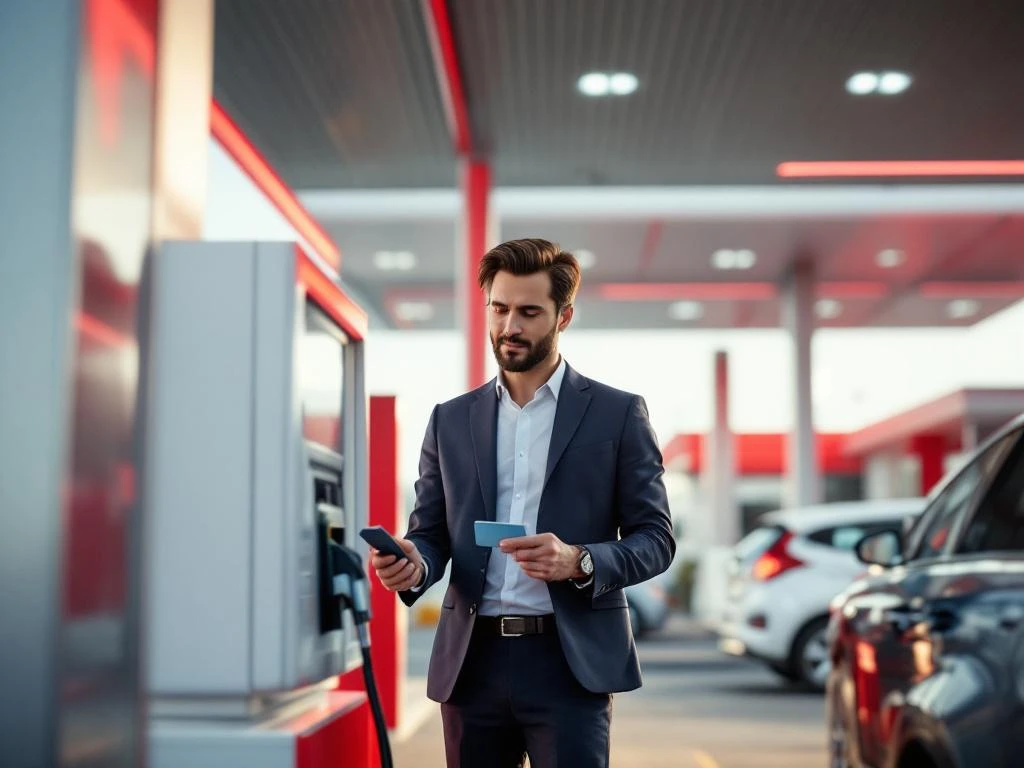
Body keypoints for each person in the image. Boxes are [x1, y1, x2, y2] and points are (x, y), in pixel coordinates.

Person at [370, 238, 675, 768]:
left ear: (564, 317)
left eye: (529, 312)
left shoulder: (617, 414)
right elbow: (431, 534)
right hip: (472, 663)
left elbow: (657, 539)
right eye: (499, 308)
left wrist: (579, 560)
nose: (509, 326)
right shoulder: (450, 419)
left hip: (570, 664)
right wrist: (414, 564)